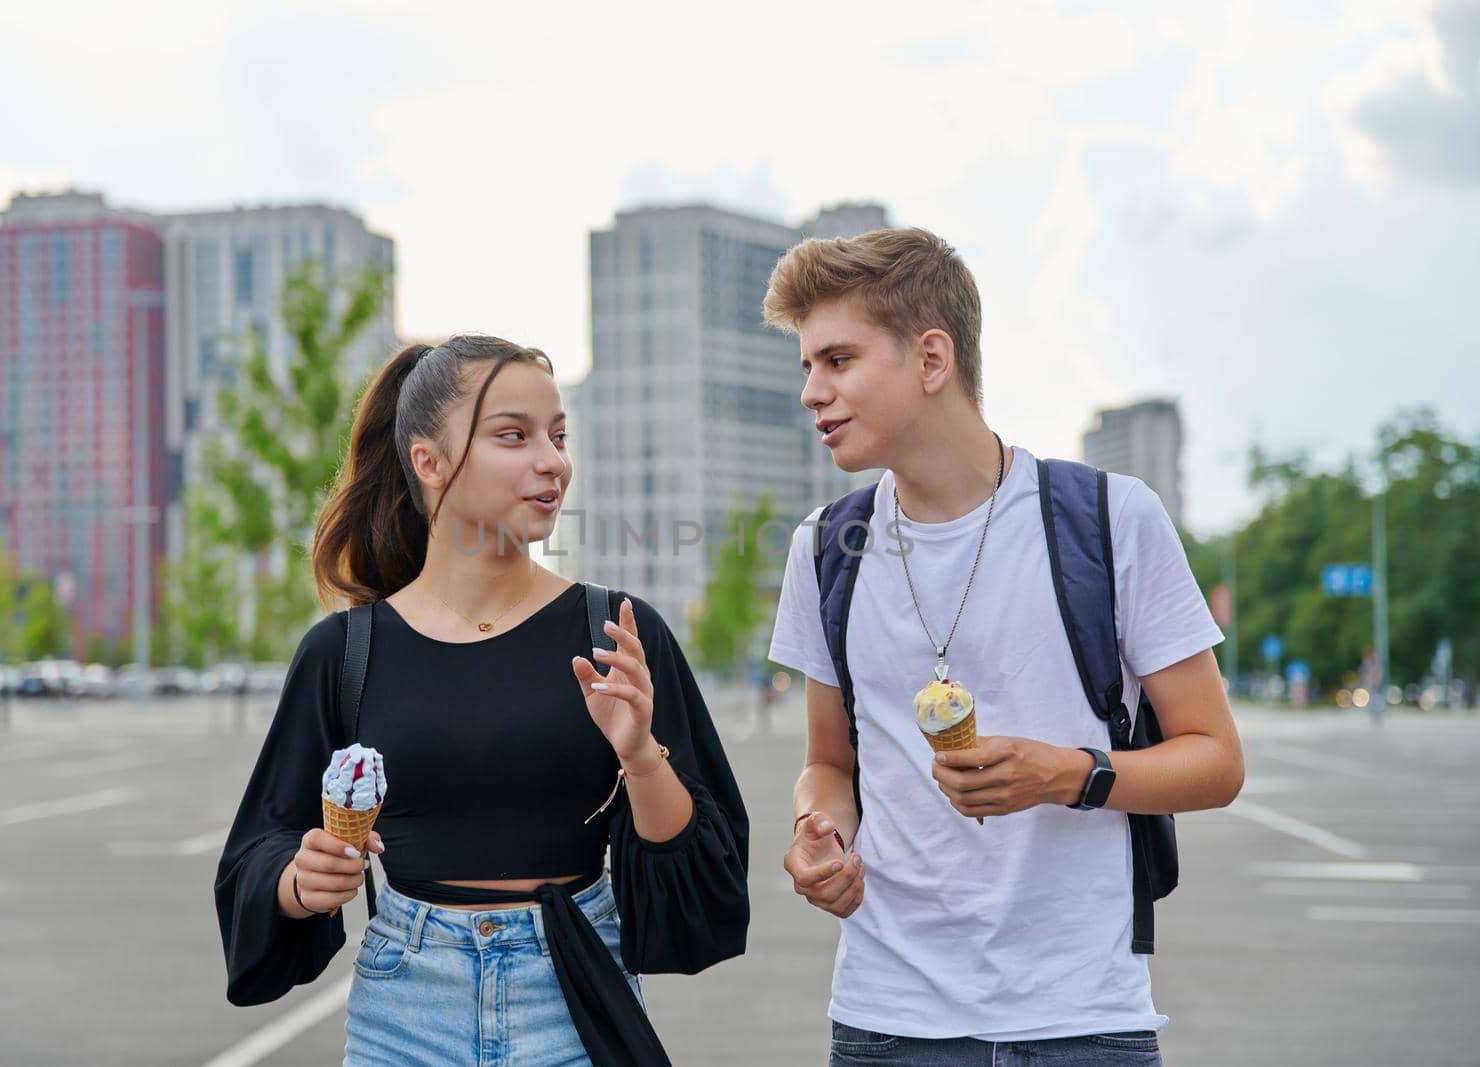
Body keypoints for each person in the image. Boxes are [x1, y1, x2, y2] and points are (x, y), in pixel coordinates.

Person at [762, 229, 1245, 1066]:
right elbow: (830, 762)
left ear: (932, 357)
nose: (811, 390)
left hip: (1080, 1019)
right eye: (807, 365)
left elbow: (1216, 761)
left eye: (837, 359)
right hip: (888, 1019)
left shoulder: (1109, 519)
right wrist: (818, 829)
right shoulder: (824, 546)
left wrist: (1066, 772)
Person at [214, 335, 750, 1066]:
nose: (552, 460)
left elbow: (706, 880)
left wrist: (641, 755)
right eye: (514, 435)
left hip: (573, 1000)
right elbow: (258, 852)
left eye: (559, 436)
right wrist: (300, 880)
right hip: (405, 1008)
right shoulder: (344, 653)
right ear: (428, 461)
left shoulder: (618, 632)